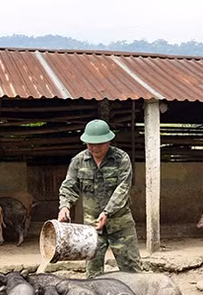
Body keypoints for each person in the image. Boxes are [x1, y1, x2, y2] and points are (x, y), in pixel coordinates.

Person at [58, 119, 142, 278]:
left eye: (99, 144)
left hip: (120, 223)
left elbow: (123, 189)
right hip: (92, 227)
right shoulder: (78, 161)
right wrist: (64, 206)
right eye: (90, 144)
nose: (94, 148)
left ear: (109, 141)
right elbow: (69, 185)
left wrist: (107, 212)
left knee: (132, 270)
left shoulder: (121, 159)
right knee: (93, 273)